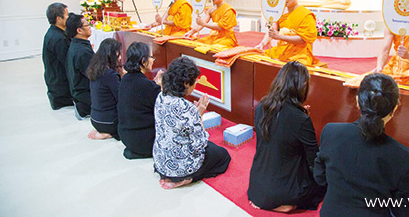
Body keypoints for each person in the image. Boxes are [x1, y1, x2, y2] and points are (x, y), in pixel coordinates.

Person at [314, 73, 409, 216]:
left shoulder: (331, 132)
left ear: (357, 101)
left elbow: (319, 177)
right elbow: (404, 211)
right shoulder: (403, 157)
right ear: (394, 109)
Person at [248, 61, 326, 212]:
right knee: (323, 179)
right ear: (302, 85)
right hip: (282, 192)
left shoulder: (262, 106)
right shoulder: (300, 119)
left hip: (256, 186)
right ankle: (285, 204)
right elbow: (313, 160)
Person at [153, 57, 231, 189]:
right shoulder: (186, 108)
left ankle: (171, 176)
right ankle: (186, 178)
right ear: (186, 83)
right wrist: (199, 113)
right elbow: (200, 143)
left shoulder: (161, 95)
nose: (195, 85)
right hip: (181, 166)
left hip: (160, 160)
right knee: (223, 156)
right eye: (195, 81)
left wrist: (195, 114)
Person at [256, 0, 322, 67]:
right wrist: (262, 44)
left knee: (294, 67)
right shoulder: (280, 12)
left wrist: (280, 37)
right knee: (257, 57)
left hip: (299, 54)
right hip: (281, 51)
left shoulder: (306, 15)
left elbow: (303, 39)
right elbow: (272, 31)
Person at [117, 42, 162, 159]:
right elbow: (163, 108)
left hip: (126, 136)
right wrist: (160, 88)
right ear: (143, 61)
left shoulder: (125, 78)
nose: (153, 60)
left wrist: (155, 86)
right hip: (143, 141)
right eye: (151, 57)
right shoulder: (147, 86)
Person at [85, 38, 124, 140]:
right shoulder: (110, 74)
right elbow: (120, 97)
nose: (120, 58)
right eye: (118, 54)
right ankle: (109, 133)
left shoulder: (95, 69)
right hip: (108, 122)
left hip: (95, 119)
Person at [42, 3, 74, 110]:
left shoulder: (54, 32)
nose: (69, 18)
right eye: (67, 15)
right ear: (58, 19)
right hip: (60, 87)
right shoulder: (59, 38)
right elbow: (68, 63)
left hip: (54, 80)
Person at [66, 13, 94, 119]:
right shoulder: (82, 51)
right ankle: (83, 108)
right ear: (79, 30)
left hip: (78, 90)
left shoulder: (77, 45)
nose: (90, 27)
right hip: (84, 93)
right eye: (87, 25)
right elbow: (94, 74)